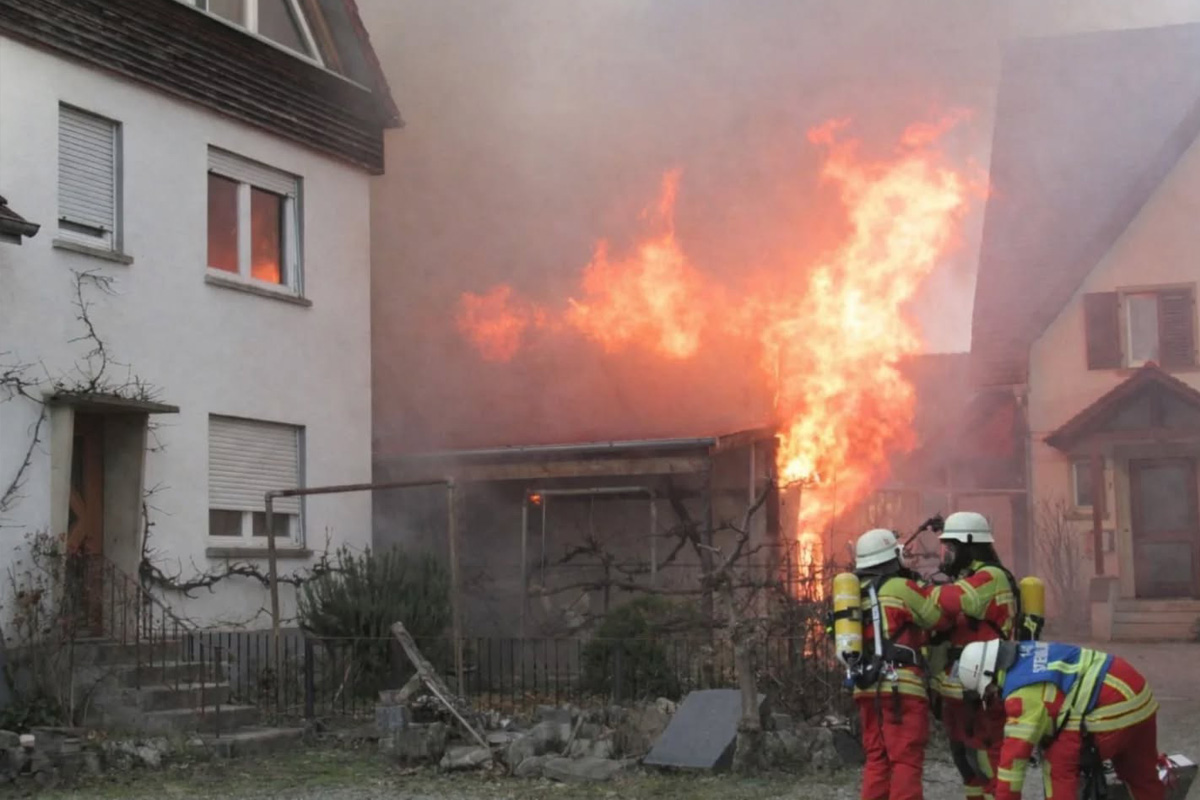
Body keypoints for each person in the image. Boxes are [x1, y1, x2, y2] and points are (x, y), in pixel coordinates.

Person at [955, 639, 1161, 800]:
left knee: (1057, 761)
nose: (992, 695)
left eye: (988, 691)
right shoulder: (1025, 651)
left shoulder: (1021, 697)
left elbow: (1013, 764)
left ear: (988, 675)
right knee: (1142, 777)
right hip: (1138, 693)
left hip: (1111, 708)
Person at [925, 511, 1019, 800]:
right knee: (965, 762)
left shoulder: (990, 577)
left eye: (950, 549)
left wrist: (910, 590)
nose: (946, 555)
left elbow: (950, 601)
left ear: (969, 545)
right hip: (962, 688)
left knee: (986, 762)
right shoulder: (969, 579)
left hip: (986, 687)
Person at [848, 528, 942, 800]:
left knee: (877, 759)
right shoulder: (899, 587)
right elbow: (935, 618)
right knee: (905, 761)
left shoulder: (854, 594)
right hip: (901, 689)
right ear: (892, 557)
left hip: (865, 688)